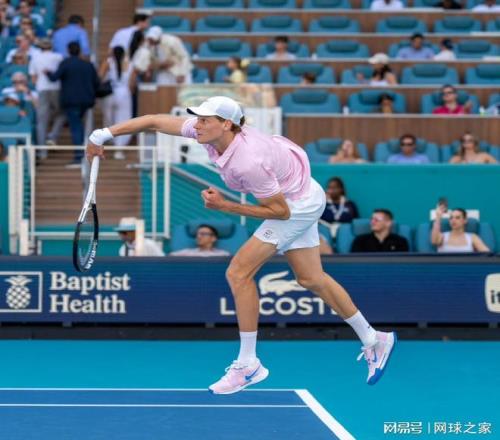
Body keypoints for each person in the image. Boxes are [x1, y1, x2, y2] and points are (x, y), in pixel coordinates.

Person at [86, 95, 397, 393]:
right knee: (311, 278)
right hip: (302, 191)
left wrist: (225, 206)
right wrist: (101, 135)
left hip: (296, 205)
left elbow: (281, 212)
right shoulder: (213, 133)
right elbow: (154, 121)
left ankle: (248, 364)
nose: (197, 125)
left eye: (205, 120)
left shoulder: (248, 162)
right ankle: (374, 339)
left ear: (226, 124)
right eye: (198, 119)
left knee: (238, 272)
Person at [47, 41, 99, 166]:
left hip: (71, 101)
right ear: (79, 51)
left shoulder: (66, 63)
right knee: (79, 126)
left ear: (68, 51)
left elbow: (54, 78)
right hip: (86, 101)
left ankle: (79, 157)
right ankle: (83, 153)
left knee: (76, 127)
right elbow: (96, 83)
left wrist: (47, 72)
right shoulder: (88, 65)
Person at [29, 38, 65, 147]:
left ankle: (42, 151)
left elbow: (33, 78)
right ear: (51, 46)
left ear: (40, 47)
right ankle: (52, 136)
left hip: (42, 89)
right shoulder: (58, 57)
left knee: (42, 121)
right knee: (62, 113)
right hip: (56, 88)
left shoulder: (35, 58)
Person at [99, 45, 133, 159]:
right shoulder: (129, 63)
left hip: (110, 93)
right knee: (123, 121)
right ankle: (119, 148)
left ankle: (109, 139)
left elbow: (99, 77)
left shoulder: (108, 62)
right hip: (124, 93)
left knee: (109, 119)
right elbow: (132, 83)